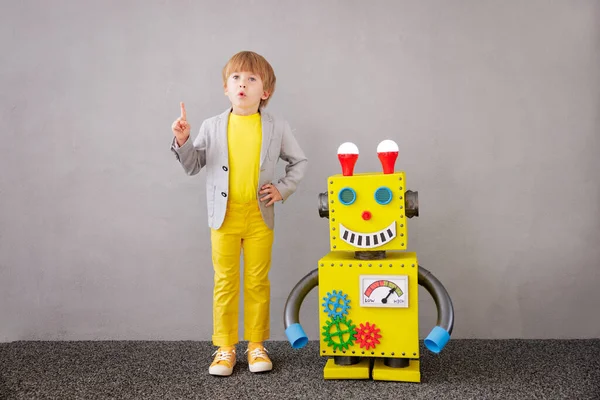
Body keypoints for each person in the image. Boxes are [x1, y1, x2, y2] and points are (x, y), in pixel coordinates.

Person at [170, 51, 308, 376]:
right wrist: (182, 139)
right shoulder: (212, 126)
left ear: (266, 92)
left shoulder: (276, 126)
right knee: (225, 282)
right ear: (225, 88)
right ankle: (225, 348)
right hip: (224, 217)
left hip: (260, 216)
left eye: (251, 79)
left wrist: (283, 189)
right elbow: (192, 165)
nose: (242, 84)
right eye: (236, 78)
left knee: (258, 281)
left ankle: (257, 344)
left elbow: (299, 161)